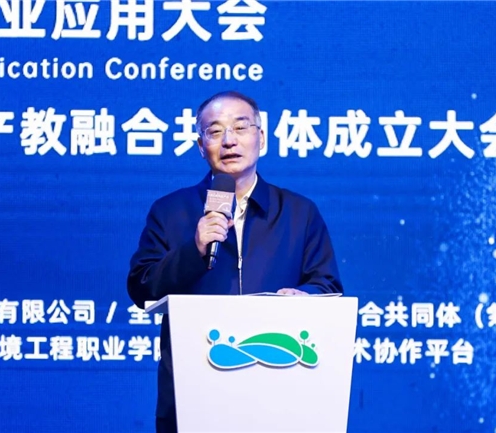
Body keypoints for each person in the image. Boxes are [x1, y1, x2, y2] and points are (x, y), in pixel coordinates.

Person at [126, 90, 343, 433]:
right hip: (194, 394)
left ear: (262, 138)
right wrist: (194, 249)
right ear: (201, 146)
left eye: (241, 127)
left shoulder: (299, 213)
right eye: (215, 131)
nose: (229, 140)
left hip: (282, 391)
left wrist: (306, 298)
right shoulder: (170, 211)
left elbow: (327, 284)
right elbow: (141, 288)